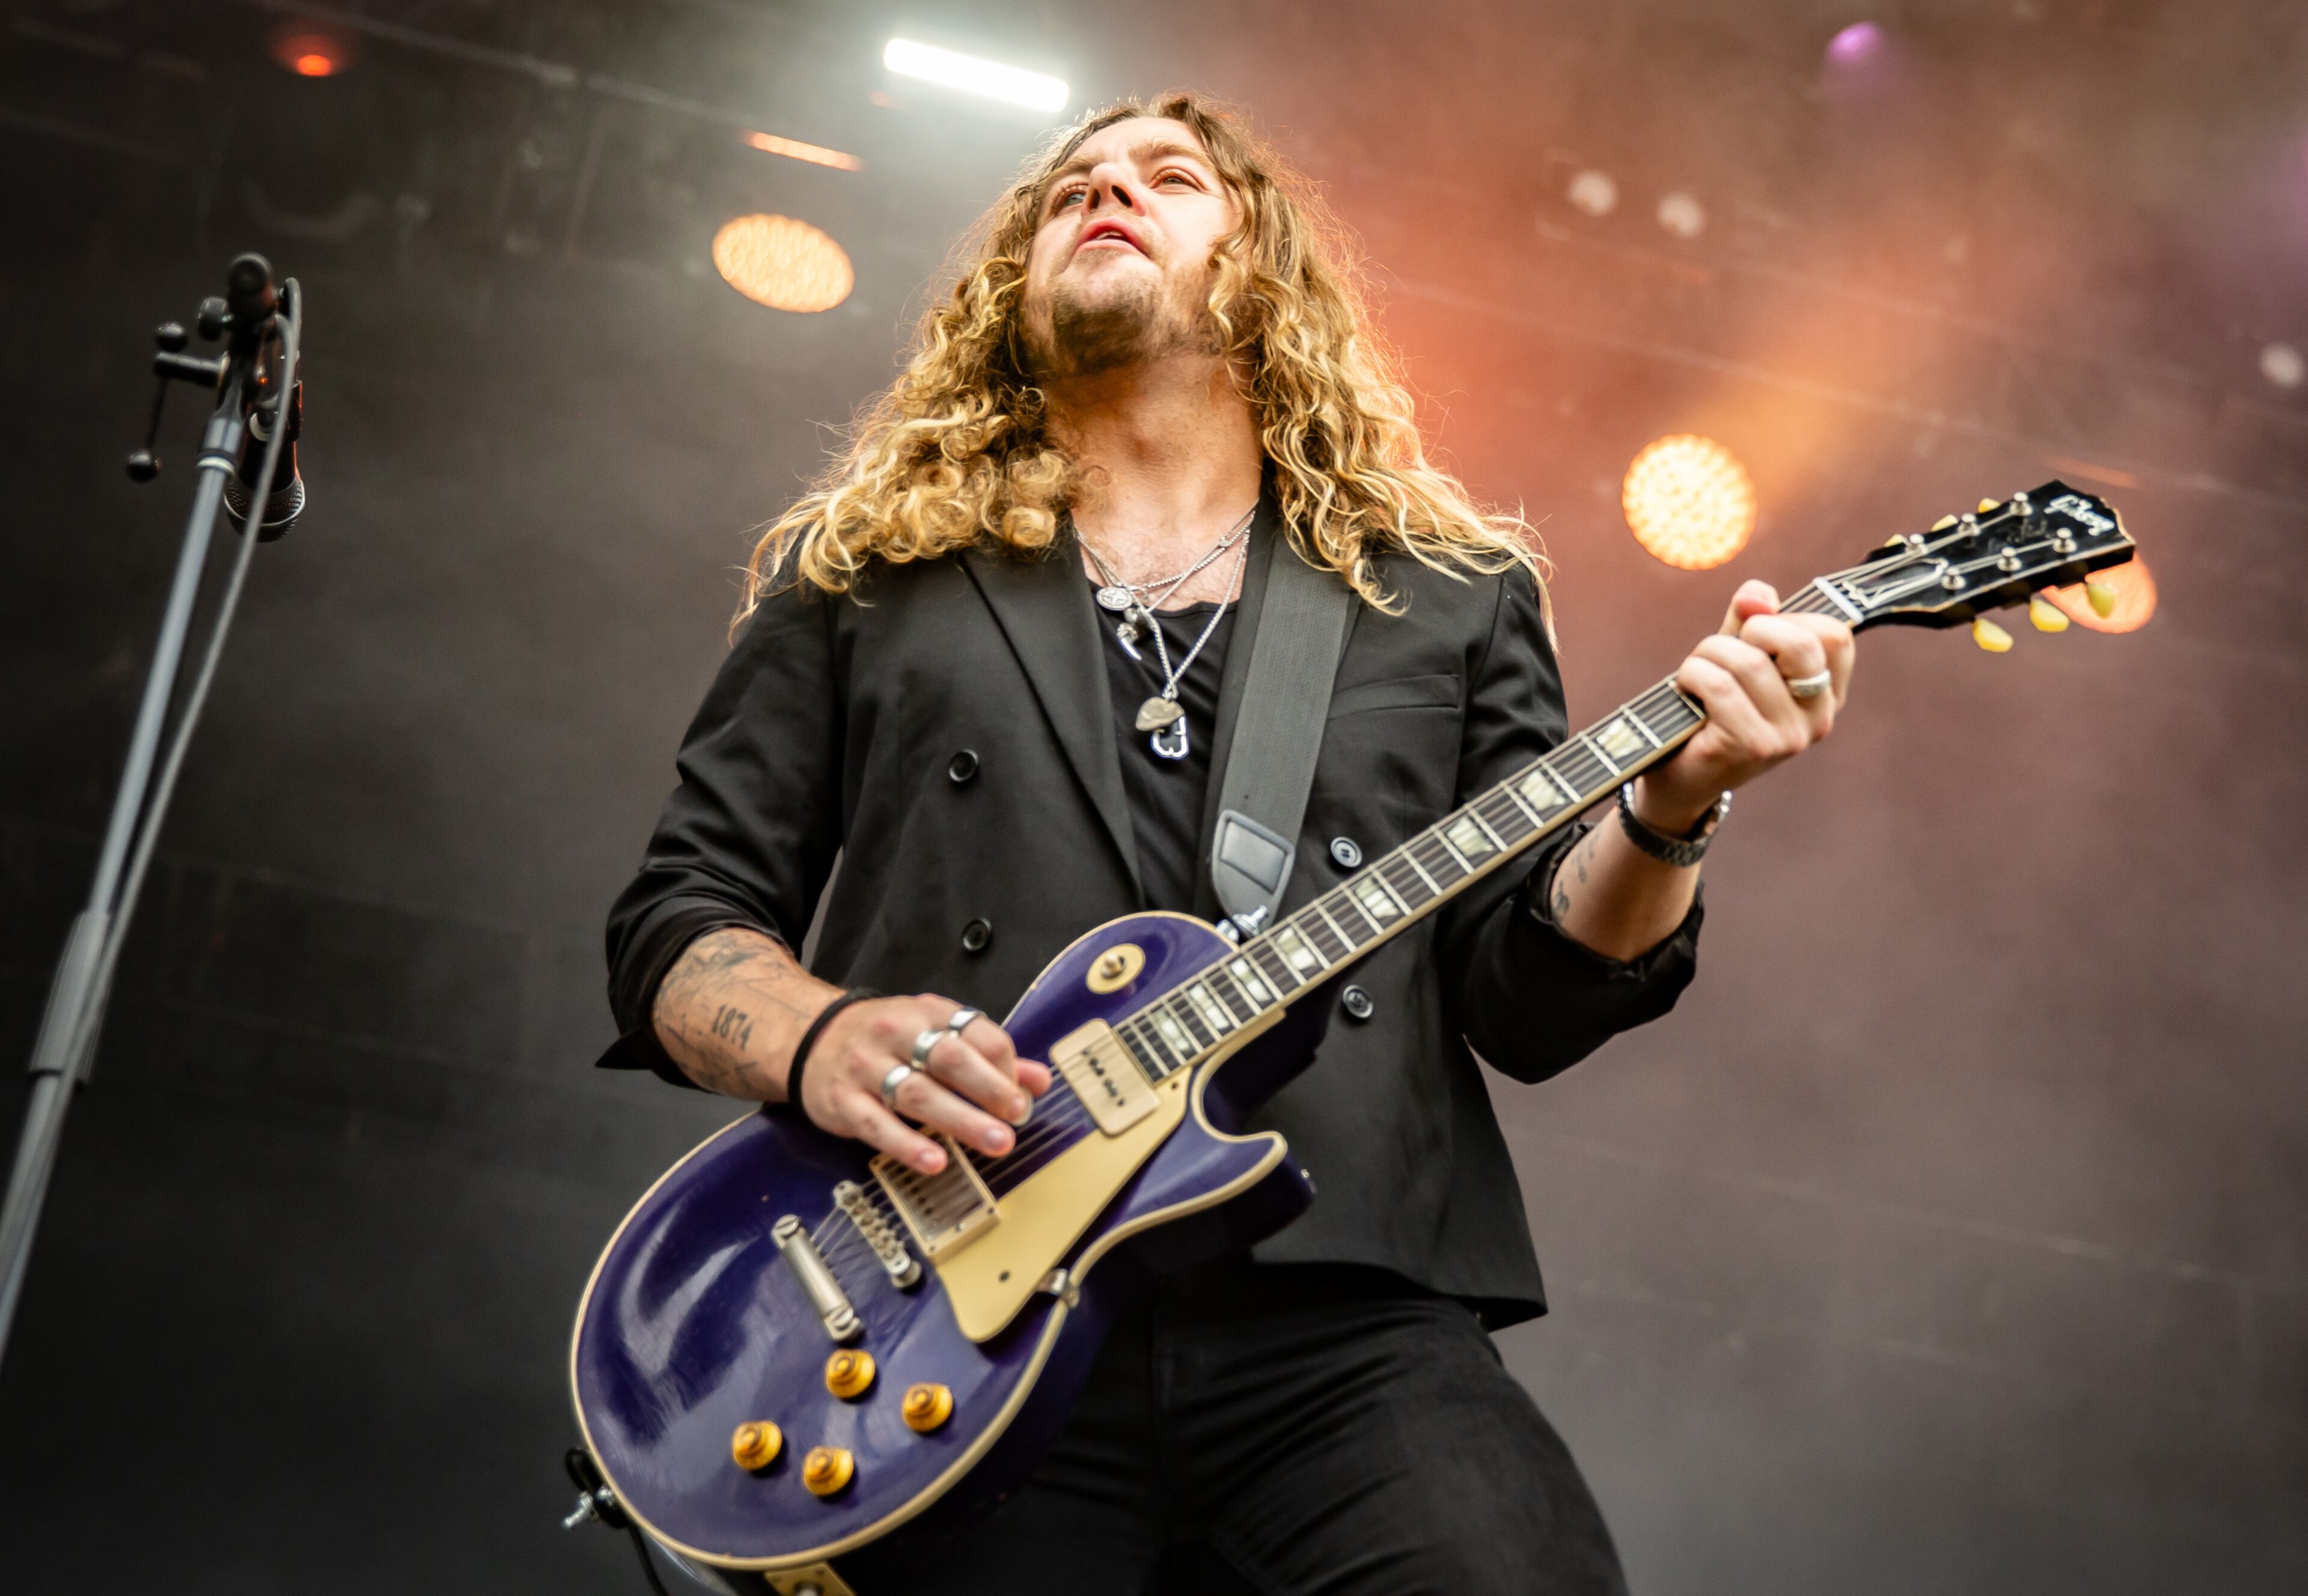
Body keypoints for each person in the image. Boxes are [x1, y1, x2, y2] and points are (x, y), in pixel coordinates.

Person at [602, 91, 1854, 1596]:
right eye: (1070, 187)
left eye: (1168, 175)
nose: (1106, 191)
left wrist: (1675, 801)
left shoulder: (1448, 595)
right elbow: (680, 917)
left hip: (1339, 1311)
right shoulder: (875, 570)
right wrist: (821, 1040)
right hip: (948, 1306)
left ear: (1258, 267)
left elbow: (1533, 991)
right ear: (1015, 278)